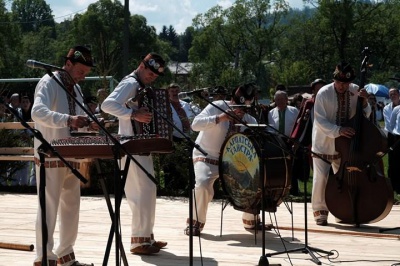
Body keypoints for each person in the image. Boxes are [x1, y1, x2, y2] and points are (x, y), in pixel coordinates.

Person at [31, 45, 97, 266]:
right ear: (68, 64)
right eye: (80, 71)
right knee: (48, 206)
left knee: (71, 206)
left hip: (71, 155)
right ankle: (44, 257)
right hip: (49, 153)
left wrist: (91, 125)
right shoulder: (49, 82)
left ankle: (65, 255)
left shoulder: (76, 89)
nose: (82, 77)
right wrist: (67, 119)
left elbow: (78, 120)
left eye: (86, 73)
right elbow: (37, 112)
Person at [101, 52, 168, 255]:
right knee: (140, 192)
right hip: (130, 144)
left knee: (148, 189)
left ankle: (146, 236)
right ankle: (138, 240)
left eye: (155, 76)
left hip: (139, 144)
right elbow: (107, 105)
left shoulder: (140, 86)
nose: (152, 77)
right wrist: (133, 114)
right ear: (141, 66)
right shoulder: (130, 83)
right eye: (150, 73)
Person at [185, 83, 260, 236]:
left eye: (244, 108)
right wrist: (220, 118)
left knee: (254, 180)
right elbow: (195, 125)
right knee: (203, 184)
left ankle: (251, 219)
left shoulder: (249, 119)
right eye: (238, 106)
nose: (240, 111)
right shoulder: (217, 106)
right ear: (232, 101)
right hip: (206, 155)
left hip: (233, 163)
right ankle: (195, 221)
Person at [311, 62, 371, 226]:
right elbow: (320, 120)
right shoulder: (323, 93)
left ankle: (341, 210)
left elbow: (364, 114)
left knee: (343, 179)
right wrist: (338, 130)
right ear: (334, 80)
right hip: (323, 142)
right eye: (339, 82)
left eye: (345, 83)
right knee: (321, 177)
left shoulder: (355, 90)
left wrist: (364, 102)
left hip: (345, 145)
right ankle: (320, 211)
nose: (342, 86)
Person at [267, 90, 300, 195]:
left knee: (292, 166)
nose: (280, 101)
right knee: (278, 165)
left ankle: (294, 190)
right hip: (277, 141)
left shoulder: (294, 111)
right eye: (277, 99)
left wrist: (296, 141)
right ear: (275, 101)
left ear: (286, 100)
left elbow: (298, 127)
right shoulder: (271, 113)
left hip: (290, 141)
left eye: (282, 99)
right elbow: (270, 128)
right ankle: (279, 188)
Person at [384, 88, 400, 195]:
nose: (392, 95)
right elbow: (389, 125)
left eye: (394, 93)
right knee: (392, 162)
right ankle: (392, 186)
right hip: (392, 136)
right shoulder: (387, 108)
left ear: (398, 94)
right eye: (390, 94)